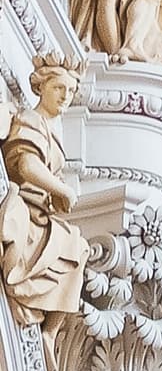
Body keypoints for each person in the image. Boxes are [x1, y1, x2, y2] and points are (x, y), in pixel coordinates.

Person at [0, 57, 87, 323]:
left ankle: (50, 331)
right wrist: (62, 190)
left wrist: (55, 198)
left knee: (79, 247)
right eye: (58, 88)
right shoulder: (31, 119)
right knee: (73, 243)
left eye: (70, 91)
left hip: (41, 213)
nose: (65, 96)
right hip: (25, 207)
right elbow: (27, 165)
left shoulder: (52, 133)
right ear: (41, 88)